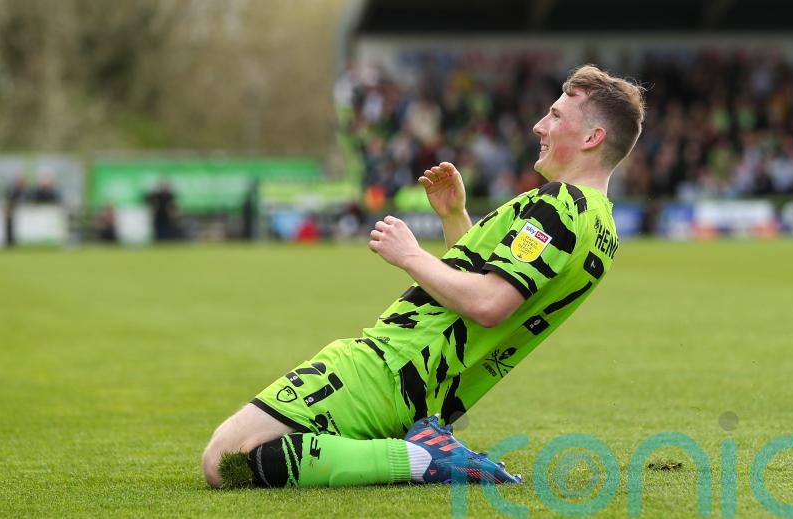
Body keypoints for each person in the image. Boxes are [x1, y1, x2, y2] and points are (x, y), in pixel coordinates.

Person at [202, 64, 646, 489]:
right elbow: (494, 293)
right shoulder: (601, 228)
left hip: (393, 366)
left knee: (224, 460)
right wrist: (456, 218)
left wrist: (410, 256)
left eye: (554, 115)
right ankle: (421, 451)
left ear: (593, 136)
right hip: (428, 392)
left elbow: (490, 304)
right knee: (269, 454)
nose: (538, 125)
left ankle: (422, 458)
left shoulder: (559, 204)